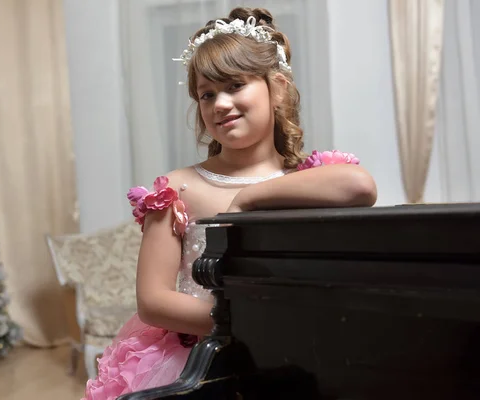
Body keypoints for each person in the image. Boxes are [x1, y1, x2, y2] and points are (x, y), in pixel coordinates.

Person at [82, 6, 377, 399]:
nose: (220, 103)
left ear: (278, 89)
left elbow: (360, 187)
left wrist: (250, 196)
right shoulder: (178, 188)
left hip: (296, 356)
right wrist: (251, 324)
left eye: (235, 85)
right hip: (202, 357)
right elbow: (152, 301)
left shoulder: (306, 179)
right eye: (206, 94)